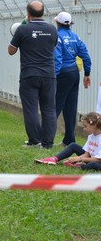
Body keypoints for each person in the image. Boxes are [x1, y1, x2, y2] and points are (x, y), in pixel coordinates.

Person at [8, 1, 58, 149]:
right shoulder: (52, 29)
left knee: (31, 109)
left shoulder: (22, 29)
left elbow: (11, 51)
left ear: (28, 13)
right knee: (49, 109)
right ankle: (48, 143)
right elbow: (53, 47)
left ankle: (35, 141)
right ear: (43, 12)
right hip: (49, 74)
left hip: (29, 74)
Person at [53, 11, 92, 147]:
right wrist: (87, 73)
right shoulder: (76, 37)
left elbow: (57, 59)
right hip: (74, 73)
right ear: (70, 24)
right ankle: (69, 139)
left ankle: (47, 139)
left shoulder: (57, 37)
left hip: (62, 73)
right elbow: (86, 56)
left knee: (55, 106)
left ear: (57, 22)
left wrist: (55, 76)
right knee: (71, 107)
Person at [35, 112, 101, 170]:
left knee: (93, 164)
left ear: (94, 125)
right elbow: (87, 154)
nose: (84, 129)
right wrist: (77, 158)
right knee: (73, 145)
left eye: (85, 126)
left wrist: (80, 159)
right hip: (91, 158)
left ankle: (80, 166)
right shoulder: (91, 136)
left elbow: (98, 159)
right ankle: (53, 159)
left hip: (98, 161)